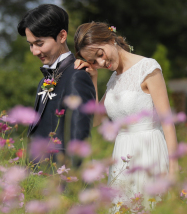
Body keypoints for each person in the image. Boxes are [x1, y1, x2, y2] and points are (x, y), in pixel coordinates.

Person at [73, 22, 178, 202]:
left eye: (100, 54)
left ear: (111, 39)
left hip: (149, 151)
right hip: (122, 157)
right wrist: (94, 79)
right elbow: (96, 120)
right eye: (94, 62)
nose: (101, 63)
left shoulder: (148, 68)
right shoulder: (113, 80)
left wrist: (174, 169)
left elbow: (168, 123)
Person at [17, 4, 96, 163]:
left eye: (39, 43)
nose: (34, 51)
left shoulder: (77, 76)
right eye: (31, 44)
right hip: (38, 176)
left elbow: (79, 138)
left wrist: (72, 181)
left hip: (59, 175)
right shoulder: (44, 80)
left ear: (62, 36)